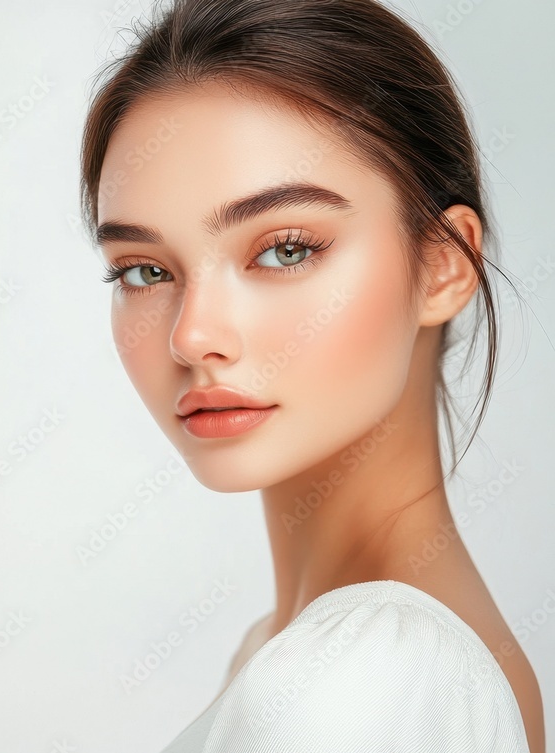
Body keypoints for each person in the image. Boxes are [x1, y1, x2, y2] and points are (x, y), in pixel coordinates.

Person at [77, 0, 545, 750]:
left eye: (286, 249)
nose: (193, 334)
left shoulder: (374, 674)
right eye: (144, 268)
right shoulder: (292, 651)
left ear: (442, 264)